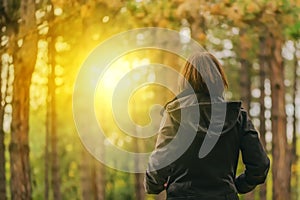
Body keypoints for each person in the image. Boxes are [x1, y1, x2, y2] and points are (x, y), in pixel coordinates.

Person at [144, 52, 270, 200]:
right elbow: (260, 166)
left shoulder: (175, 113)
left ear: (186, 79)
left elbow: (159, 164)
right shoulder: (237, 115)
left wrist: (154, 186)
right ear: (219, 78)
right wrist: (237, 186)